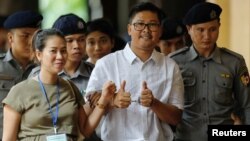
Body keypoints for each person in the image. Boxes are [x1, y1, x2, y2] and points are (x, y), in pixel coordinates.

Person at [85, 2, 184, 141]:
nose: (146, 30)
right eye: (140, 24)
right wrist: (112, 100)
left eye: (152, 25)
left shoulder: (171, 66)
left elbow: (176, 119)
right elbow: (90, 112)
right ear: (129, 29)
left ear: (160, 31)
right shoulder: (106, 64)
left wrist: (154, 103)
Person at [2, 28, 116, 141]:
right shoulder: (19, 91)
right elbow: (8, 139)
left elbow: (85, 130)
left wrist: (104, 99)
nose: (60, 57)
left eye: (63, 51)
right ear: (39, 54)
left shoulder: (70, 87)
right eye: (53, 51)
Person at [169, 2, 250, 141]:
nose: (207, 36)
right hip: (186, 137)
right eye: (200, 30)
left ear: (219, 26)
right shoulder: (174, 62)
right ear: (189, 29)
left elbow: (247, 105)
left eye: (212, 29)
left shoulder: (234, 62)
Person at [0, 10, 43, 140]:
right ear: (10, 38)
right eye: (25, 36)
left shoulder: (44, 69)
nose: (31, 42)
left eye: (35, 36)